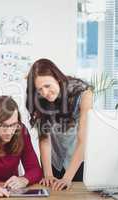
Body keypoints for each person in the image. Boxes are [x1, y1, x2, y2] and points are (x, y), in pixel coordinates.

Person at [25, 58, 93, 191]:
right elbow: (44, 139)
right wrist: (48, 174)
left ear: (57, 78)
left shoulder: (84, 95)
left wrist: (67, 178)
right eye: (39, 89)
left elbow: (82, 141)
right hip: (54, 161)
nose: (44, 93)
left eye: (47, 86)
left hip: (77, 161)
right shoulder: (40, 98)